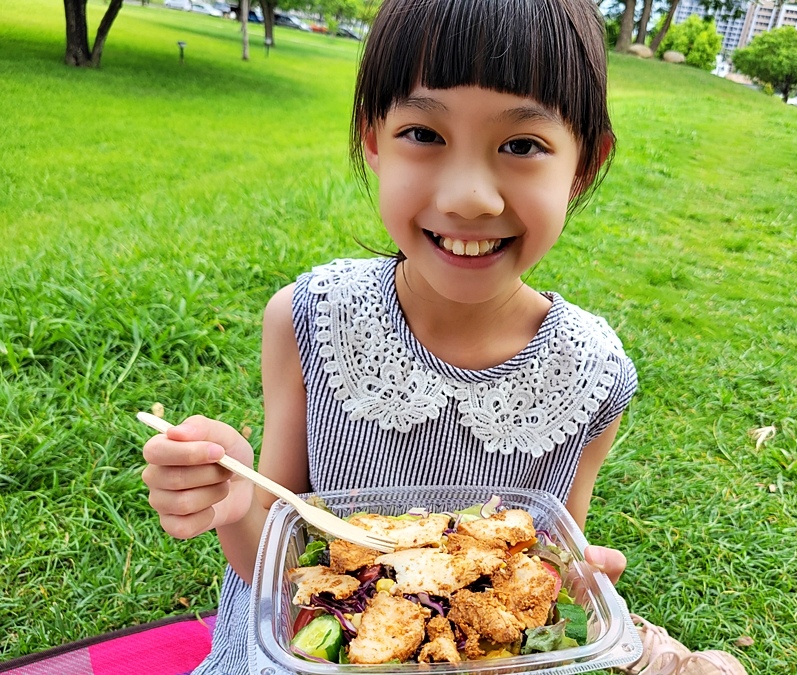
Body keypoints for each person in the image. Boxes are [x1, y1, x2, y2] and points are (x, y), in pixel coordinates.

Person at [141, 0, 747, 673]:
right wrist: (232, 506)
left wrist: (571, 580)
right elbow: (276, 564)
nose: (468, 197)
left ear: (583, 165)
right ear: (373, 137)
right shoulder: (307, 320)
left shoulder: (593, 376)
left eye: (522, 145)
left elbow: (544, 567)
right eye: (425, 134)